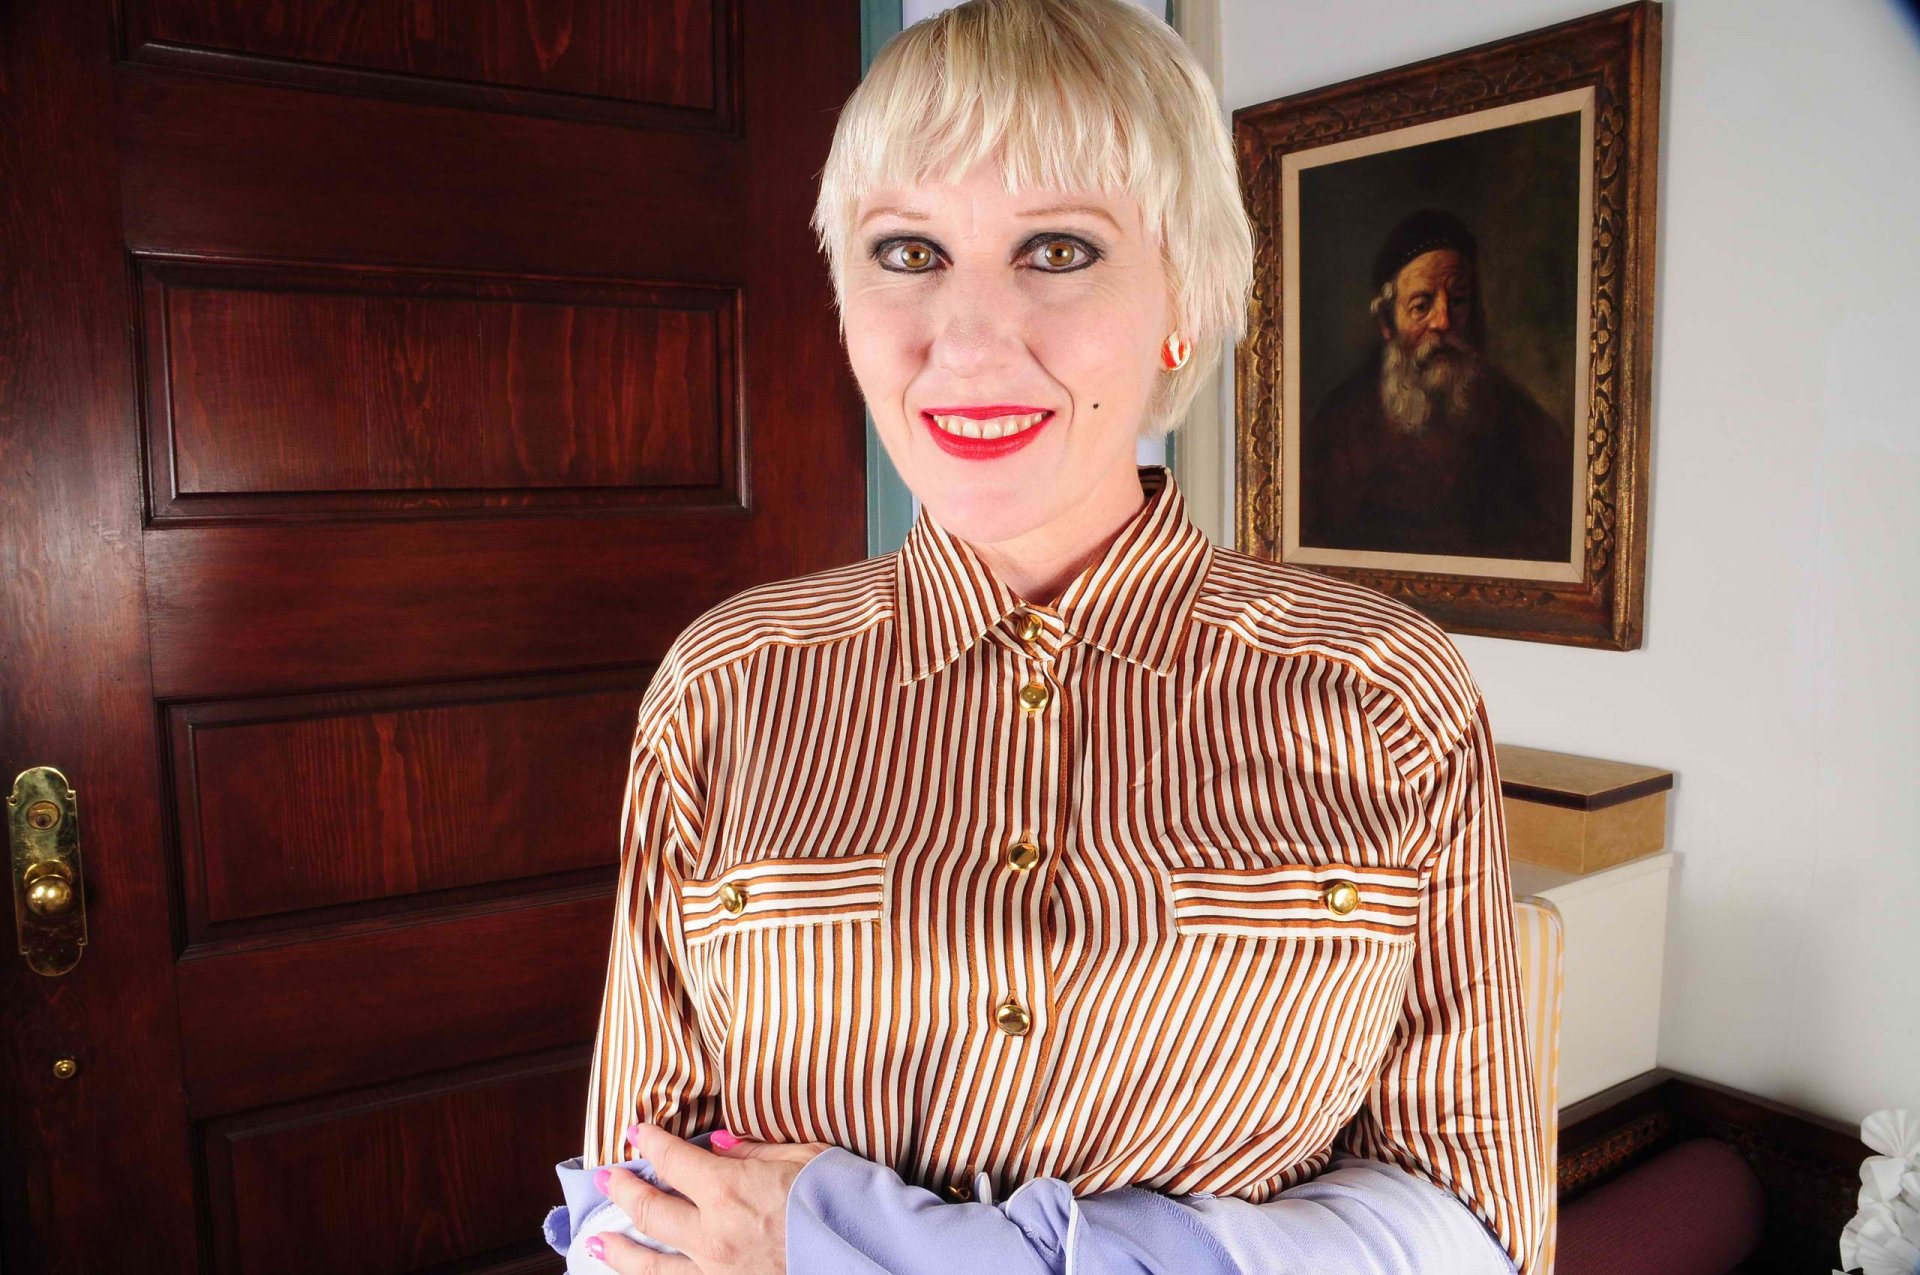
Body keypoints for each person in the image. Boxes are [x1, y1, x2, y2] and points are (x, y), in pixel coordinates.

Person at [542, 1, 1549, 1271]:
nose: (966, 341)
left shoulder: (1384, 693)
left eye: (1059, 249)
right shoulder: (726, 686)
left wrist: (901, 1252)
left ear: (1183, 298)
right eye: (908, 251)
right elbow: (634, 1210)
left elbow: (1474, 1229)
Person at [1301, 207, 1577, 563]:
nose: (1444, 321)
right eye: (1422, 306)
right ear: (1387, 322)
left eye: (1458, 301)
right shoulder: (1341, 424)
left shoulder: (1517, 417)